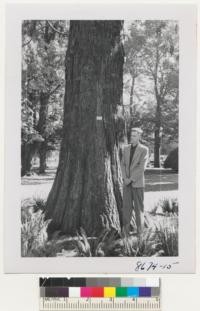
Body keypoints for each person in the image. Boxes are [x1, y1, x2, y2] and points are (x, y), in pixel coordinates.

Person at [121, 127, 149, 236]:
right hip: (126, 184)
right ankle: (125, 233)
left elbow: (142, 167)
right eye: (131, 135)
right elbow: (122, 164)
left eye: (134, 136)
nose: (131, 137)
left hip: (137, 183)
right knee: (126, 209)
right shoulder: (126, 148)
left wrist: (131, 179)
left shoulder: (144, 149)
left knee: (139, 209)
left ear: (139, 137)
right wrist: (125, 179)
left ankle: (140, 234)